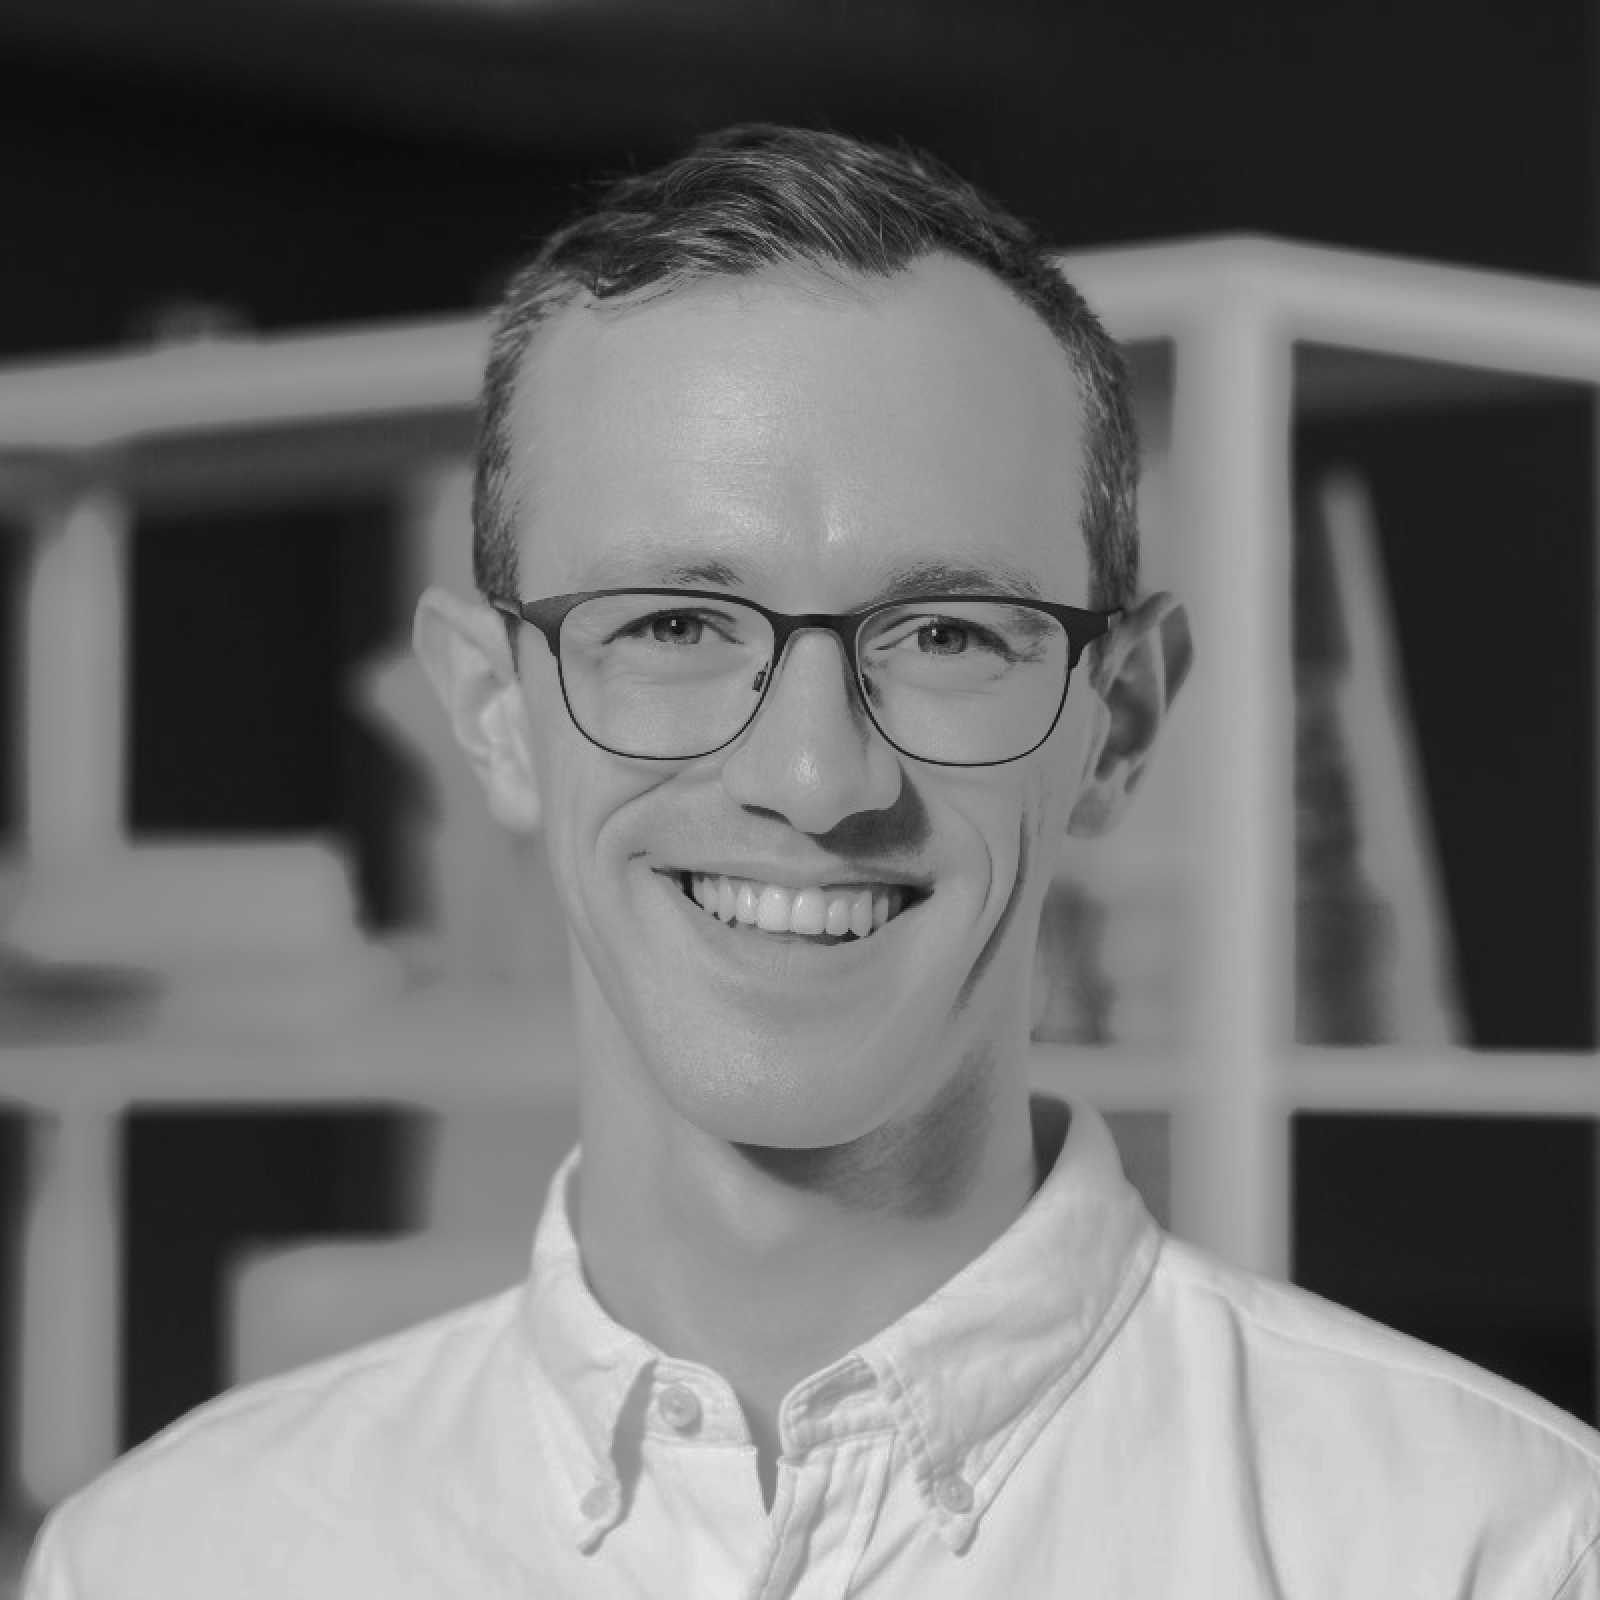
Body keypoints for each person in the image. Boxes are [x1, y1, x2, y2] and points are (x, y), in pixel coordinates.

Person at [24, 124, 1600, 1598]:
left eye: (946, 634)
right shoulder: (175, 1561)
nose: (813, 776)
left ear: (1115, 723)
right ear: (494, 716)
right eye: (674, 625)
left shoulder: (1491, 1549)